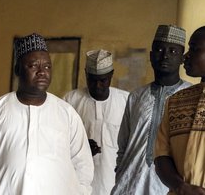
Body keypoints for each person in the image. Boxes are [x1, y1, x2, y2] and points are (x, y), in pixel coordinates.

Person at [0, 33, 94, 195]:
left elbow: (83, 164)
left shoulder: (67, 114)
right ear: (18, 69)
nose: (41, 72)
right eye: (33, 66)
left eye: (47, 66)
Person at [110, 25, 192, 195]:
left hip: (170, 188)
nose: (165, 55)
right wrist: (120, 174)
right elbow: (123, 145)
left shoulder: (191, 96)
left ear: (182, 58)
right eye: (159, 49)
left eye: (173, 51)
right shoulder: (136, 96)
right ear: (151, 55)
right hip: (130, 184)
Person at [63, 49, 129, 195]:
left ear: (111, 75)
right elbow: (60, 143)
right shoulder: (70, 101)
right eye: (92, 80)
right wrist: (82, 147)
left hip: (115, 184)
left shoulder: (125, 101)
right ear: (86, 74)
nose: (97, 85)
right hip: (79, 184)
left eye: (103, 80)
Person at [154, 26, 205, 195]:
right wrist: (180, 187)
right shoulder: (176, 101)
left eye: (194, 49)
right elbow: (161, 155)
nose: (186, 56)